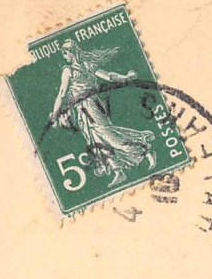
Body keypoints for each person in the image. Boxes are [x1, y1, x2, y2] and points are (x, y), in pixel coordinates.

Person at [49, 39, 156, 188]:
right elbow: (109, 76)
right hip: (84, 109)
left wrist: (54, 114)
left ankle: (143, 149)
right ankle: (118, 170)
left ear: (72, 53)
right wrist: (125, 77)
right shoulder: (87, 65)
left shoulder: (69, 70)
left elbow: (62, 93)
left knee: (108, 135)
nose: (64, 55)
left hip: (90, 106)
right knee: (96, 139)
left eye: (65, 52)